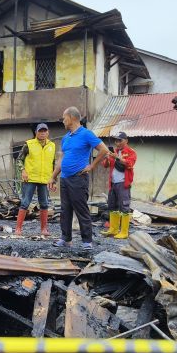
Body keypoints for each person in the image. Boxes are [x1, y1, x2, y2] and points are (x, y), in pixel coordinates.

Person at [47, 106, 110, 250]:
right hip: (65, 178)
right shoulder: (66, 138)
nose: (63, 121)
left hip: (78, 179)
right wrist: (53, 177)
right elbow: (61, 159)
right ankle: (66, 239)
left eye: (64, 118)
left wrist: (91, 166)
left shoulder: (86, 134)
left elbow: (104, 150)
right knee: (65, 210)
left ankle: (87, 241)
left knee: (81, 209)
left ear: (71, 118)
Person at [15, 123, 56, 236]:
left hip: (45, 179)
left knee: (44, 204)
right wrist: (23, 171)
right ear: (36, 132)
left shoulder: (52, 146)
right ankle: (18, 229)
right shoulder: (28, 144)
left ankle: (44, 229)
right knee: (25, 203)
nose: (42, 133)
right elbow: (19, 160)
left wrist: (53, 179)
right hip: (30, 178)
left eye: (44, 131)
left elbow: (53, 163)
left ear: (48, 132)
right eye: (40, 131)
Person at [101, 132, 137, 240]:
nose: (117, 143)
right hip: (113, 183)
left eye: (119, 140)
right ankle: (113, 229)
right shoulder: (114, 152)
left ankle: (124, 232)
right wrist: (107, 158)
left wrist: (117, 158)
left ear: (126, 140)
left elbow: (130, 164)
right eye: (116, 140)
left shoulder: (131, 152)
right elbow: (105, 165)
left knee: (124, 207)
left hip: (123, 183)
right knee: (112, 206)